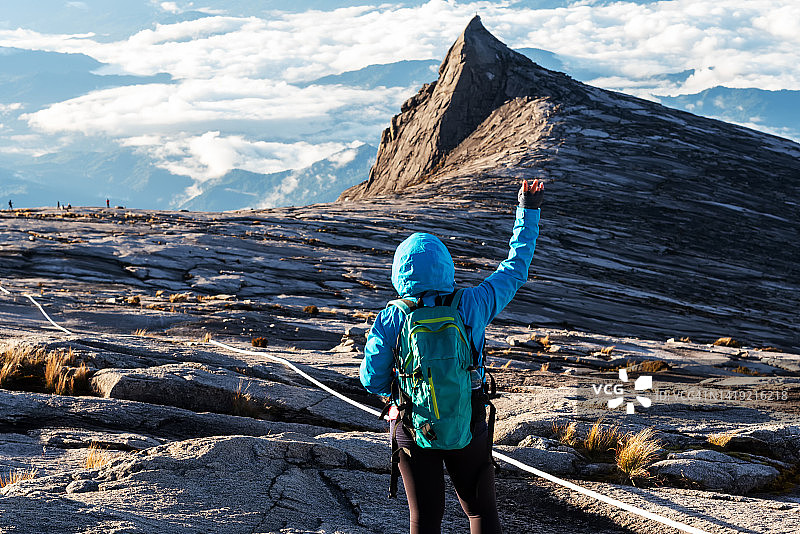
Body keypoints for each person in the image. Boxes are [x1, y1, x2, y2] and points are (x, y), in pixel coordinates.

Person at [360, 179, 544, 534]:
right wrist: (528, 210)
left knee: (425, 520)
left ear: (400, 271)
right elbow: (516, 268)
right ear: (446, 266)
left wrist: (392, 399)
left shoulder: (393, 315)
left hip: (413, 425)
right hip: (468, 419)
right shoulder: (472, 303)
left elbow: (371, 376)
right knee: (480, 513)